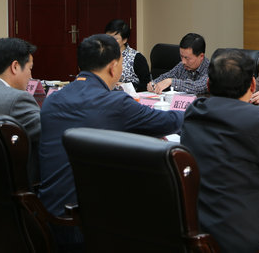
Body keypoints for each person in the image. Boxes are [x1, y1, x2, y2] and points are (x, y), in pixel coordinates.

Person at [39, 34, 183, 252]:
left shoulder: (52, 99)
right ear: (114, 67)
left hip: (48, 216)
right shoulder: (114, 102)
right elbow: (168, 122)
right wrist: (197, 110)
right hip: (85, 225)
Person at [181, 49, 259, 253]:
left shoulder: (194, 112)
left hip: (200, 232)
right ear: (253, 85)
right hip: (250, 241)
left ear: (208, 85)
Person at [0, 37, 41, 182]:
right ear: (15, 66)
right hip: (13, 184)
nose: (31, 76)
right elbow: (48, 133)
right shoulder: (18, 99)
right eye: (30, 68)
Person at [104, 19, 151, 92]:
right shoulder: (101, 55)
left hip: (128, 95)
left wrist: (125, 86)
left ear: (124, 40)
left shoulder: (136, 58)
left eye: (115, 39)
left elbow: (146, 85)